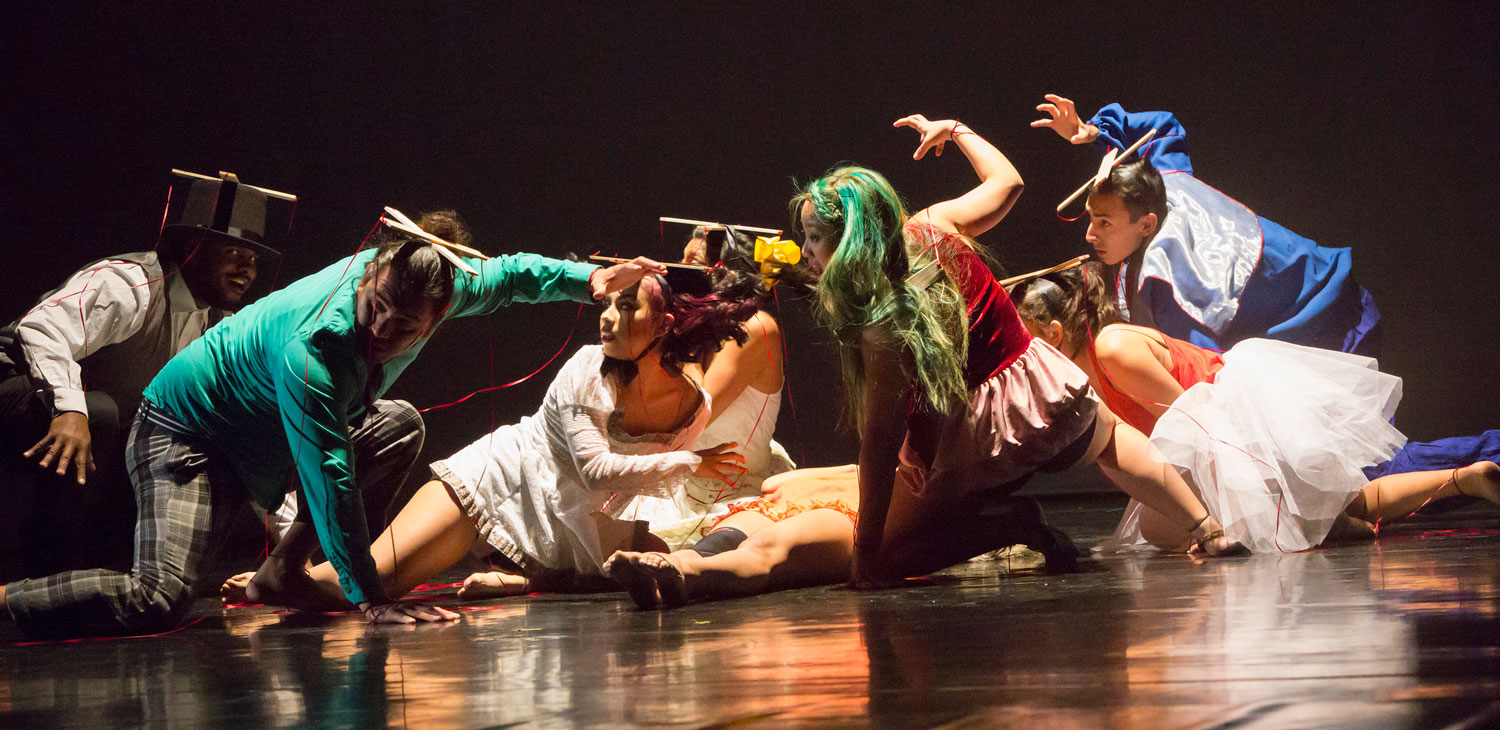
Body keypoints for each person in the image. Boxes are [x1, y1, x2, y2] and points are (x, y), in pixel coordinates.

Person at [610, 113, 1248, 607]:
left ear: (850, 242)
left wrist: (867, 555)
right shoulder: (933, 227)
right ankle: (1205, 525)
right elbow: (1009, 184)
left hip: (965, 439)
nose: (803, 250)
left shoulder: (883, 325)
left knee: (893, 544)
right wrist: (960, 131)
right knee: (1110, 441)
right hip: (1036, 391)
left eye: (812, 238)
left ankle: (1003, 526)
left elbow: (882, 444)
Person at [0, 215, 666, 636]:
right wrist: (367, 595)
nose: (381, 330)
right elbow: (330, 476)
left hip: (263, 439)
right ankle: (8, 601)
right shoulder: (317, 350)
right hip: (187, 437)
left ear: (439, 312)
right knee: (156, 598)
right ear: (371, 274)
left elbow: (511, 274)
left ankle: (282, 575)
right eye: (375, 308)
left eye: (404, 326)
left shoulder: (443, 283)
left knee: (397, 424)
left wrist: (590, 280)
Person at [229, 266, 760, 608]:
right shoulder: (585, 370)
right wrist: (691, 464)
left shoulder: (694, 403)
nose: (607, 318)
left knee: (673, 561)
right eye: (606, 304)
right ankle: (282, 578)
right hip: (498, 485)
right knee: (357, 587)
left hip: (581, 526)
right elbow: (594, 470)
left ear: (664, 324)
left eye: (627, 307)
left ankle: (528, 573)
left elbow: (624, 489)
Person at [1010, 264, 1500, 552]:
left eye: (1023, 334)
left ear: (1052, 333)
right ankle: (1468, 478)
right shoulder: (1081, 374)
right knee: (1341, 506)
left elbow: (1194, 414)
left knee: (1339, 506)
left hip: (1239, 416)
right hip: (1218, 436)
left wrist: (1251, 495)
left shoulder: (1114, 347)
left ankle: (1462, 479)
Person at [0, 172, 279, 581]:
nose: (247, 269)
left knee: (180, 437)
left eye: (253, 259)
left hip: (101, 423)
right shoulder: (132, 283)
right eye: (234, 252)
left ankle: (118, 570)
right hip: (14, 385)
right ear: (193, 248)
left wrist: (286, 551)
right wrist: (69, 407)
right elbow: (41, 330)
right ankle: (47, 568)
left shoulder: (220, 326)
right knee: (96, 413)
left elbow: (242, 431)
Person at [1032, 94, 1381, 356]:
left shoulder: (1173, 283)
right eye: (1092, 218)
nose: (1089, 235)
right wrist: (1092, 134)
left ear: (1146, 225)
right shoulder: (1163, 180)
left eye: (1104, 222)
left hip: (1335, 325)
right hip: (1323, 296)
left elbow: (1204, 369)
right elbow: (1161, 127)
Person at [612, 225, 795, 551]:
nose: (678, 282)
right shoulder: (682, 332)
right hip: (679, 488)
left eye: (692, 269)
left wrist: (681, 343)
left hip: (730, 496)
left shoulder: (757, 328)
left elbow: (692, 417)